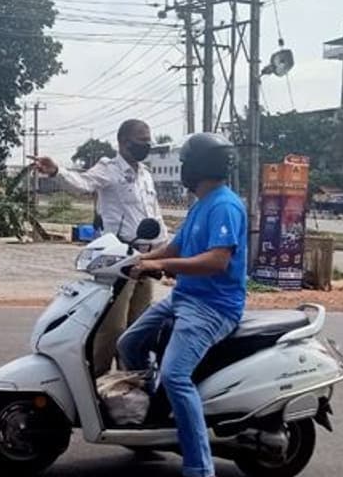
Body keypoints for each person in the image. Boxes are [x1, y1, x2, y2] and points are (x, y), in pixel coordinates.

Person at [116, 132, 247, 477]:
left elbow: (217, 261)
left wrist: (159, 266)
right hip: (185, 297)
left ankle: (199, 468)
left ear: (199, 166)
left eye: (186, 163)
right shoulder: (201, 203)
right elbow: (175, 249)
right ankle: (150, 414)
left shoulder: (225, 205)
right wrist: (136, 260)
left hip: (213, 306)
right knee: (128, 342)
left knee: (175, 375)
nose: (182, 170)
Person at [33, 119, 167, 376]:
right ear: (123, 142)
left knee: (138, 327)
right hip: (119, 259)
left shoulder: (146, 176)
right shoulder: (110, 169)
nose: (146, 145)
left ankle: (131, 385)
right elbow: (82, 183)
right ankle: (97, 383)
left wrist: (165, 253)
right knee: (112, 328)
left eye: (149, 141)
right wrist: (55, 171)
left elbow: (155, 215)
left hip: (146, 258)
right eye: (141, 141)